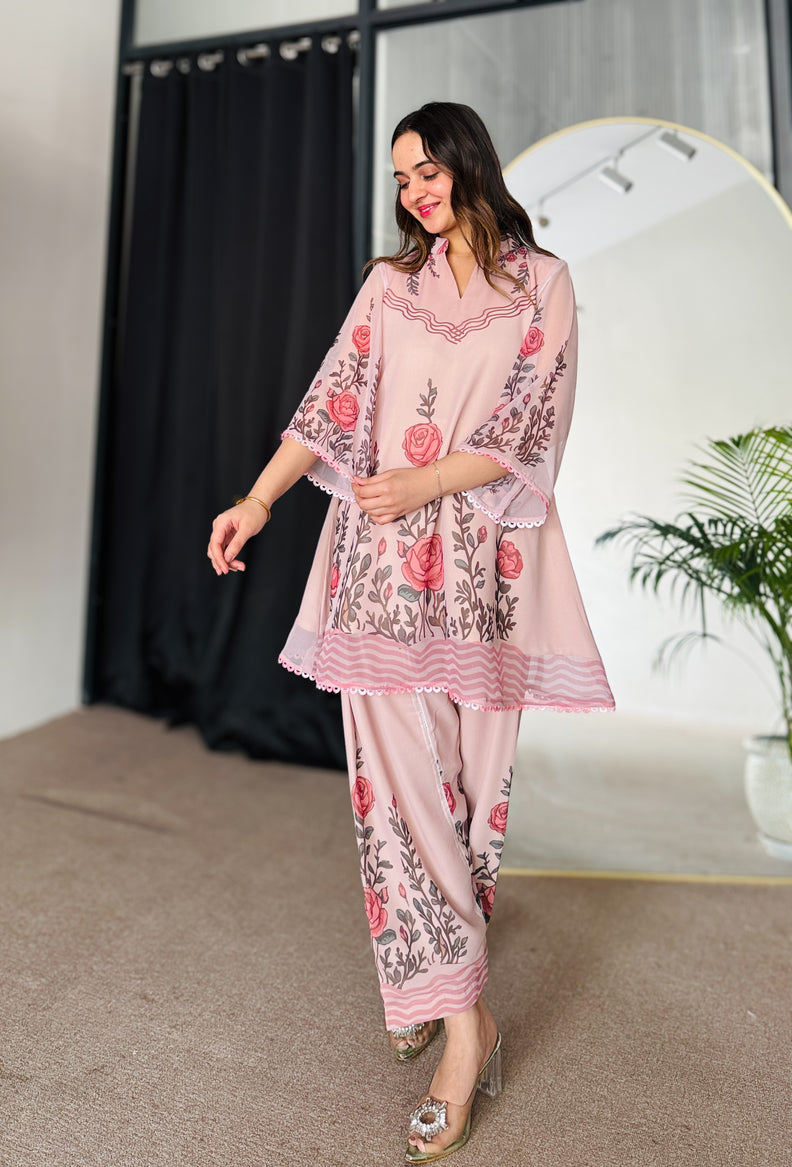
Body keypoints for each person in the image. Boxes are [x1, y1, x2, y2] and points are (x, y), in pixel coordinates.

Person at [208, 101, 614, 1163]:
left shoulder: (542, 283)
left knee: (471, 797)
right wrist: (256, 501)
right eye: (401, 177)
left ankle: (432, 977)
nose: (415, 191)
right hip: (379, 571)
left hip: (487, 575)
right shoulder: (389, 287)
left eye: (427, 169)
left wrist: (424, 482)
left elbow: (533, 424)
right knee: (395, 789)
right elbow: (329, 405)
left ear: (468, 163)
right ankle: (463, 1028)